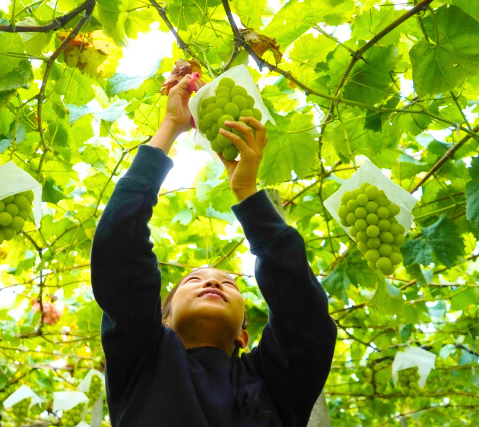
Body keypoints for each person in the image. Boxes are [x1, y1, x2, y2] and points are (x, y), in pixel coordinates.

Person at [90, 73, 337, 426]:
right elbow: (119, 248)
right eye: (193, 280)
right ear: (164, 320)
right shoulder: (142, 357)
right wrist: (171, 127)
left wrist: (248, 192)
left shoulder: (273, 382)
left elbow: (304, 313)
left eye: (229, 283)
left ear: (243, 336)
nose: (214, 283)